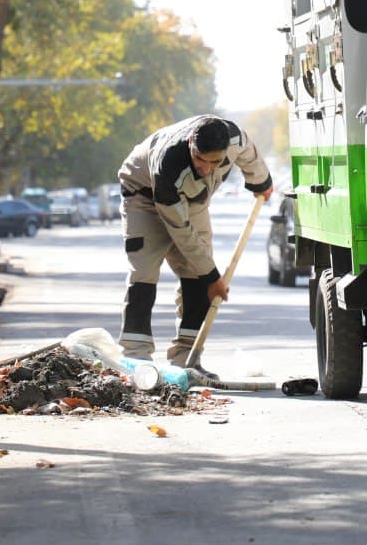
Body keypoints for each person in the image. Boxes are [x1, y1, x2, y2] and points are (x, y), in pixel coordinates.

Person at [117, 115, 273, 376]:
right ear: (191, 143)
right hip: (144, 195)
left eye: (216, 162)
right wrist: (212, 276)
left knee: (197, 278)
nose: (207, 168)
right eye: (201, 160)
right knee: (144, 271)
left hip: (193, 199)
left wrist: (261, 182)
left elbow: (249, 154)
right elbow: (182, 233)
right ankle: (136, 357)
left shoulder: (234, 138)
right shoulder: (168, 163)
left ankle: (186, 359)